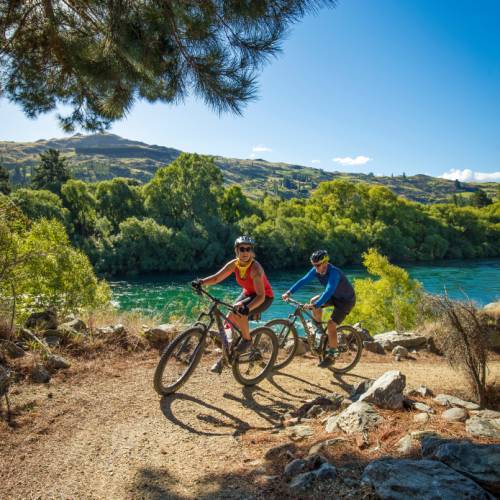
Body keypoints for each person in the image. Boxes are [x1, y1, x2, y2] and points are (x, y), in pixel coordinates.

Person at [193, 236, 274, 369]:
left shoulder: (255, 269)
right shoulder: (234, 264)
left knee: (239, 312)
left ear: (251, 251)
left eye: (248, 249)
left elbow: (260, 296)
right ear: (236, 250)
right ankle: (227, 354)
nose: (245, 252)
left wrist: (247, 308)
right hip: (248, 293)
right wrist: (201, 282)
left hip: (264, 297)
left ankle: (247, 340)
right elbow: (217, 277)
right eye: (242, 249)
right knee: (229, 321)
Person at [282, 250, 355, 366]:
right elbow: (303, 280)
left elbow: (329, 291)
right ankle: (319, 330)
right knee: (313, 301)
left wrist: (317, 305)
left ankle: (332, 355)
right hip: (334, 296)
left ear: (325, 262)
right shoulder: (316, 270)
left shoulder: (334, 273)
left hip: (345, 301)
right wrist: (289, 292)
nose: (315, 268)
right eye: (313, 265)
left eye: (317, 265)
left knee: (331, 324)